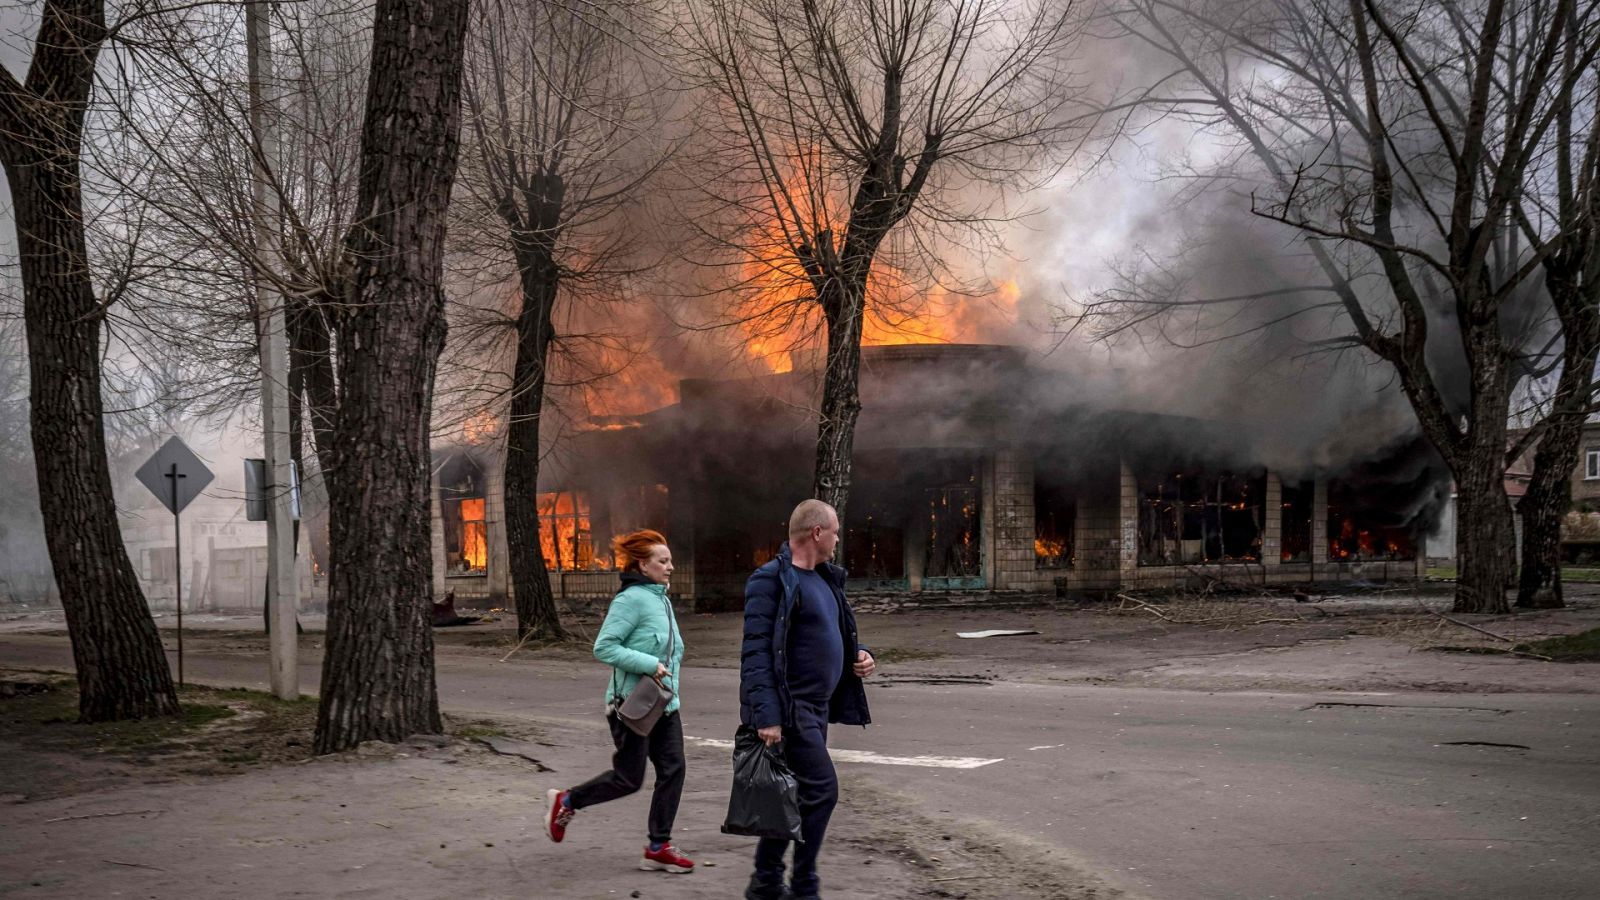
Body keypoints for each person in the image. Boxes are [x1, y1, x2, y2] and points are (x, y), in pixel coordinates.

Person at [740, 499, 876, 900]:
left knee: (794, 796)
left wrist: (860, 654)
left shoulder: (827, 579)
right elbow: (756, 653)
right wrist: (767, 715)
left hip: (818, 710)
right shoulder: (770, 581)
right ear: (817, 532)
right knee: (821, 791)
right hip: (790, 708)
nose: (838, 539)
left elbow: (832, 632)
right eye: (835, 531)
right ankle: (803, 886)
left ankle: (765, 883)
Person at [543, 529, 694, 875]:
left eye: (670, 560)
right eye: (663, 561)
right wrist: (647, 664)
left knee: (674, 770)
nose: (670, 566)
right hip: (631, 706)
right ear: (643, 564)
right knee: (629, 778)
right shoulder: (630, 600)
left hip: (664, 706)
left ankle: (659, 846)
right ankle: (567, 801)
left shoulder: (661, 599)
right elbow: (603, 647)